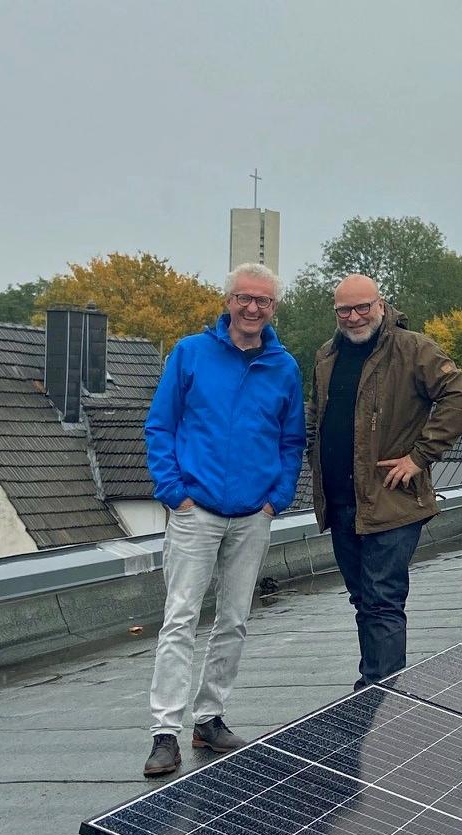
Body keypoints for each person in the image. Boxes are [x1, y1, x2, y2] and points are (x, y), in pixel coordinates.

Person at [141, 263, 306, 778]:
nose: (253, 308)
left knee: (234, 619)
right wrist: (173, 493)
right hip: (196, 511)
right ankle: (164, 731)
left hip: (253, 513)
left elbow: (292, 439)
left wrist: (276, 498)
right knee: (181, 618)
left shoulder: (284, 367)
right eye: (244, 298)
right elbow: (160, 425)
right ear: (228, 300)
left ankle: (209, 717)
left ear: (274, 308)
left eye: (263, 301)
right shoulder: (191, 353)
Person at [309, 274, 462, 690]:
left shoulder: (413, 349)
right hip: (343, 500)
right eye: (344, 310)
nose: (354, 317)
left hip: (392, 499)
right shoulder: (327, 355)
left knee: (382, 599)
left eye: (362, 307)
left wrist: (420, 457)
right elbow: (318, 416)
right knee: (363, 600)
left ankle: (380, 694)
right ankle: (372, 685)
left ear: (381, 305)